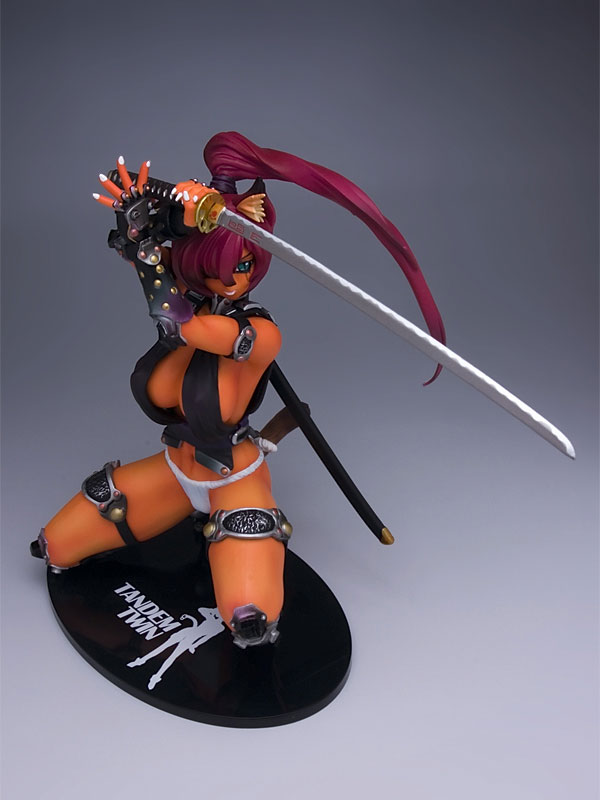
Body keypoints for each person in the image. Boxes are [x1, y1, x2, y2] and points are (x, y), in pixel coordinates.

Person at [31, 132, 445, 648]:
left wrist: (151, 258)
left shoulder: (259, 333)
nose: (231, 281)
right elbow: (149, 263)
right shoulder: (191, 296)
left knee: (248, 601)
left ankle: (251, 617)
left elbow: (181, 325)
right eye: (213, 270)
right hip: (178, 464)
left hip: (235, 474)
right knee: (63, 538)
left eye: (243, 266)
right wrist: (137, 229)